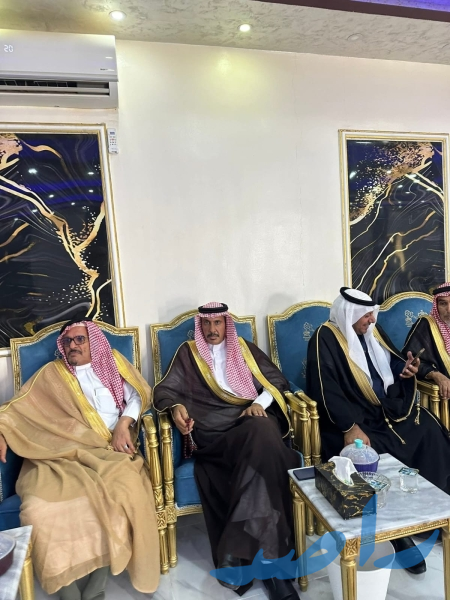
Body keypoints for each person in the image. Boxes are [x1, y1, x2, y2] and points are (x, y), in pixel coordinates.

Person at [0, 315, 160, 600]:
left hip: (108, 451)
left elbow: (139, 395)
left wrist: (124, 423)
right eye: (68, 341)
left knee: (121, 493)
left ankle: (98, 581)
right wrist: (2, 429)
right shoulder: (51, 374)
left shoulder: (113, 363)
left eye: (79, 339)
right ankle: (68, 590)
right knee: (38, 510)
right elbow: (17, 408)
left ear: (92, 342)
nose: (73, 345)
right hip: (56, 454)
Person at [153, 302, 301, 600]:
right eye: (207, 324)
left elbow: (276, 381)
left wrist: (258, 403)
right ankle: (275, 569)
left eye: (218, 323)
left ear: (226, 325)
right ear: (200, 326)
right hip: (215, 436)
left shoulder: (244, 348)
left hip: (250, 421)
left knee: (262, 432)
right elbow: (164, 390)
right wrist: (176, 406)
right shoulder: (188, 353)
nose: (212, 329)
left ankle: (243, 554)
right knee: (266, 445)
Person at [306, 288, 450, 574]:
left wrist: (406, 370)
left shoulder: (372, 330)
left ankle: (432, 510)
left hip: (384, 410)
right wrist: (350, 426)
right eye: (366, 315)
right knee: (368, 452)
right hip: (350, 418)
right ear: (349, 313)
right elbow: (325, 389)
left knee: (428, 429)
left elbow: (391, 359)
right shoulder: (325, 338)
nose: (372, 320)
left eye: (373, 314)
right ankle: (394, 533)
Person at [404, 282, 450, 399]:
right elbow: (413, 361)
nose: (449, 309)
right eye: (443, 303)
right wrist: (436, 375)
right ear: (436, 306)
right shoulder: (426, 325)